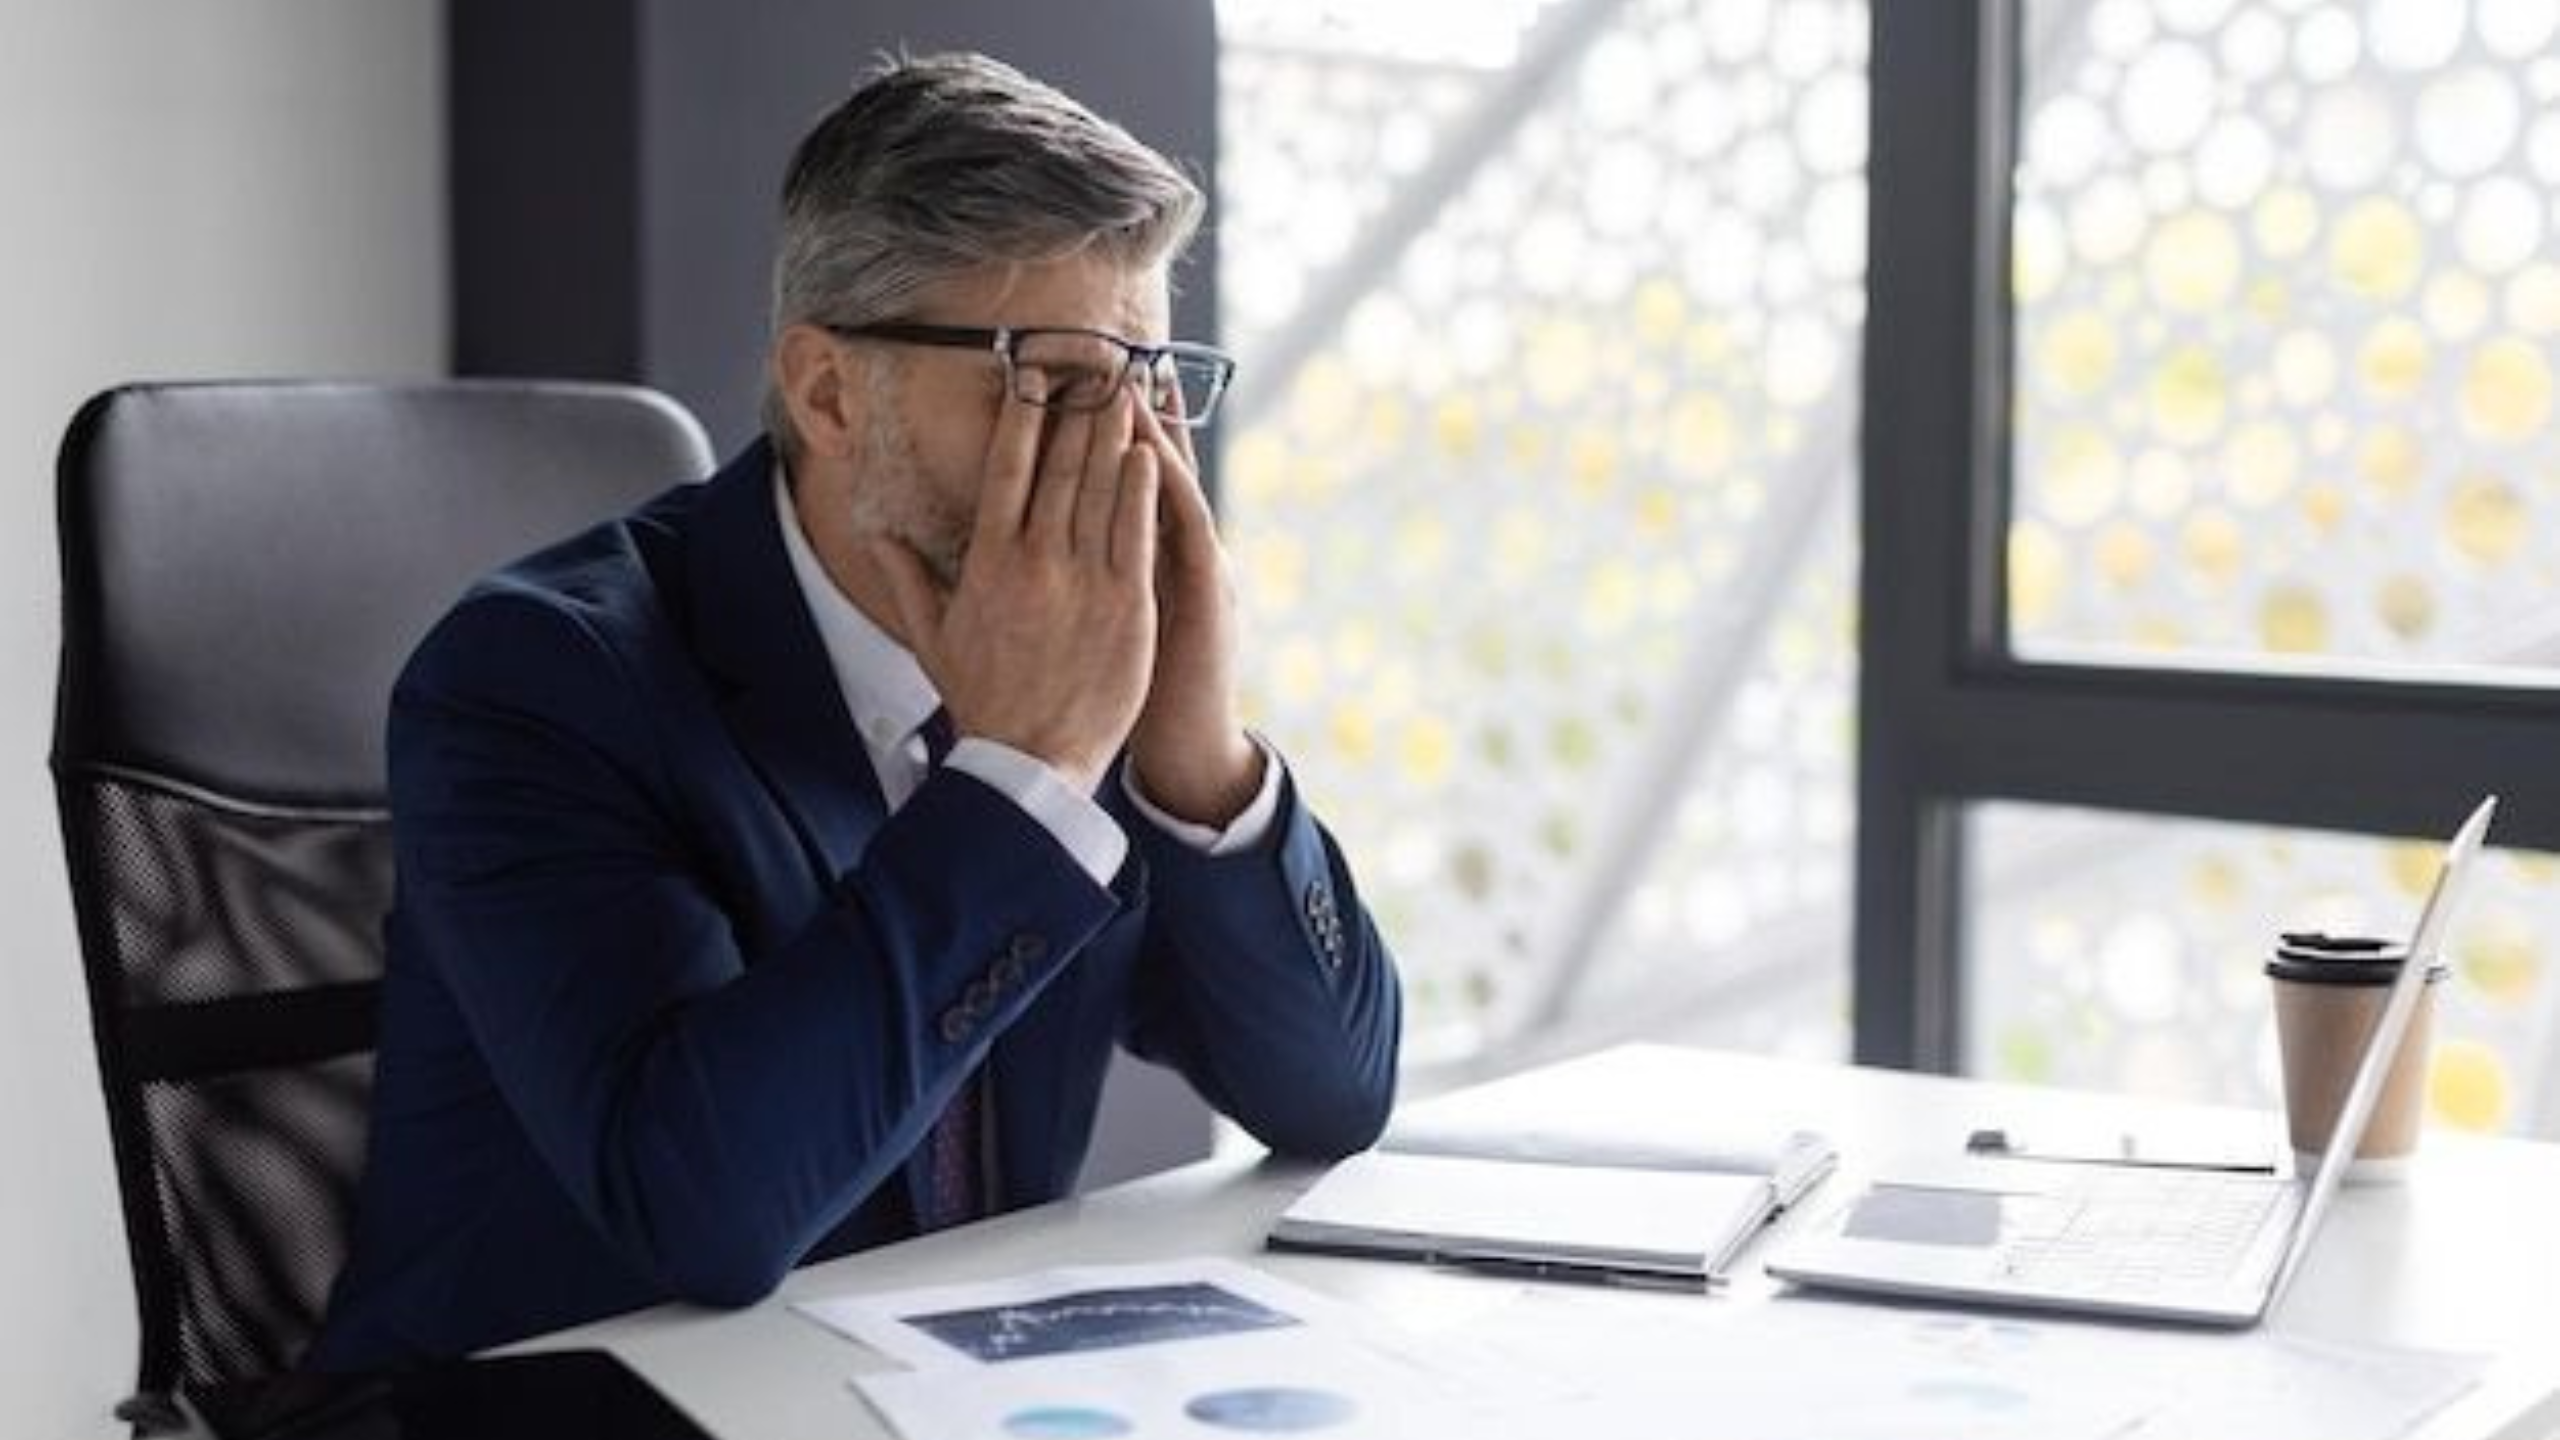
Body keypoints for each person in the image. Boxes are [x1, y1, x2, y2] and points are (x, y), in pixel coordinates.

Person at [311, 52, 1400, 1369]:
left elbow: (1328, 1096)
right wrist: (1023, 771)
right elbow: (704, 1215)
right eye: (1054, 382)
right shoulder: (535, 682)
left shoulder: (1097, 670)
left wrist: (1197, 751)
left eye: (1150, 382)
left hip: (920, 1387)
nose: (1120, 453)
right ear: (831, 393)